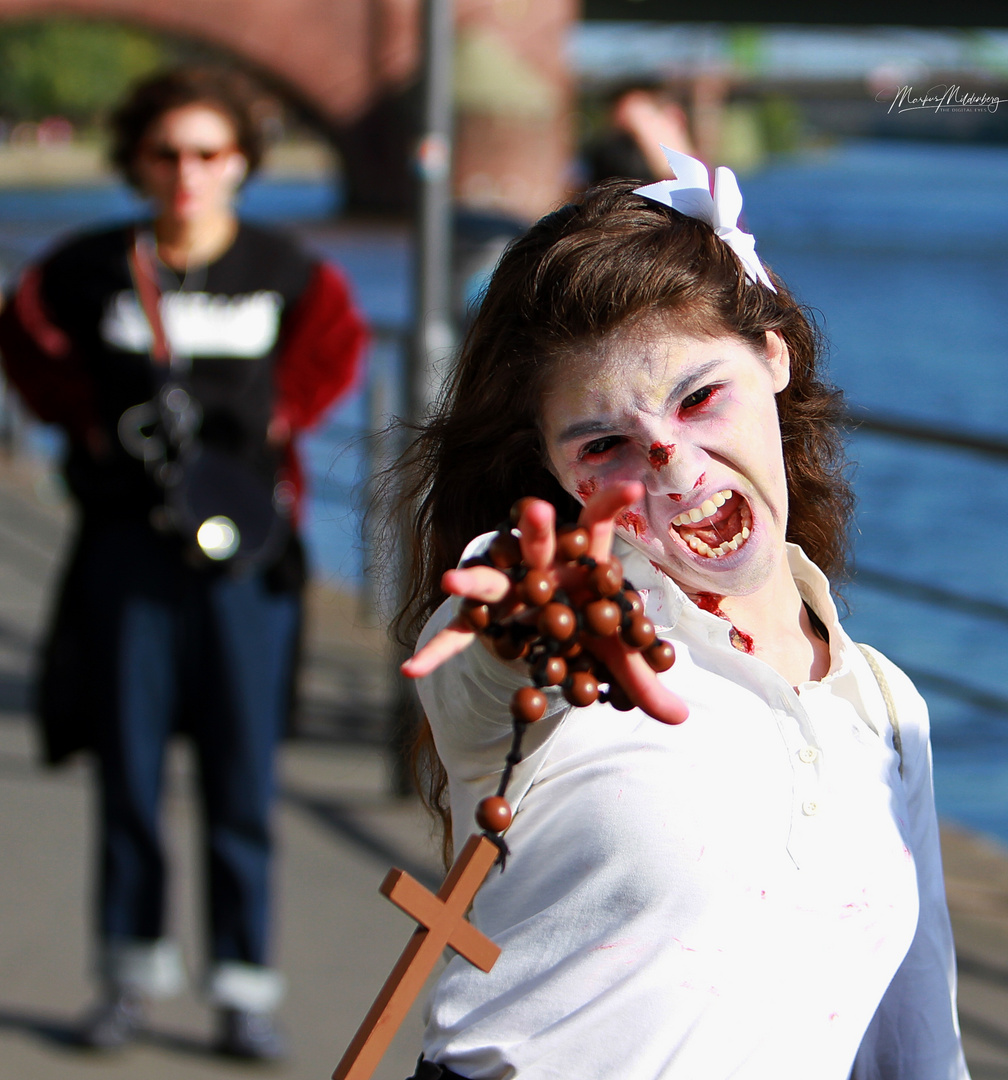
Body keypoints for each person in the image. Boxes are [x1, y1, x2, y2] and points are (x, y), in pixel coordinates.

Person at [388, 146, 970, 1079]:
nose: (673, 463)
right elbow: (479, 664)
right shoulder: (571, 639)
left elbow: (917, 1044)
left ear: (772, 356)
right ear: (550, 467)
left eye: (699, 398)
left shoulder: (885, 706)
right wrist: (524, 621)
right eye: (605, 443)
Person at [0, 67, 367, 1058]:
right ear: (138, 162)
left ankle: (245, 989)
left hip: (247, 562)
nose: (187, 173)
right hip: (126, 550)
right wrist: (80, 420)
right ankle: (127, 978)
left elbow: (336, 346)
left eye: (209, 153)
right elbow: (25, 333)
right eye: (167, 153)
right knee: (128, 771)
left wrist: (285, 414)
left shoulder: (287, 268)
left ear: (243, 161)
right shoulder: (86, 269)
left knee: (242, 779)